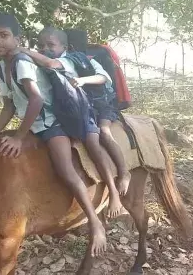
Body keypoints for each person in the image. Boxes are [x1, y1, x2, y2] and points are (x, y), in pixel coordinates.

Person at [0, 12, 106, 257]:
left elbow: (37, 99)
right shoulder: (1, 67)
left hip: (51, 123)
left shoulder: (21, 62)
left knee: (66, 170)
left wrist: (18, 137)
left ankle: (95, 223)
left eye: (3, 36)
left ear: (17, 39)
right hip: (32, 124)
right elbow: (9, 104)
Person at [17, 27, 129, 218]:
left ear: (65, 47)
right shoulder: (41, 63)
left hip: (97, 107)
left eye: (50, 45)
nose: (45, 49)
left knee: (100, 137)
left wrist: (24, 50)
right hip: (74, 111)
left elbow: (103, 77)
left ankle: (119, 182)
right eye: (41, 45)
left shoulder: (70, 60)